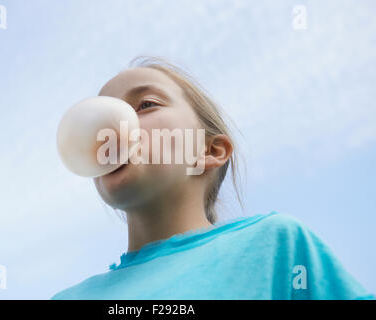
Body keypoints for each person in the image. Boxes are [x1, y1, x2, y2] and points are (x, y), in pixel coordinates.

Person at [52, 56, 374, 300]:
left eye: (146, 104)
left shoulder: (277, 245)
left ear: (210, 150)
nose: (109, 127)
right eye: (98, 118)